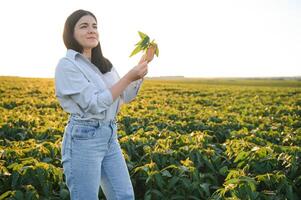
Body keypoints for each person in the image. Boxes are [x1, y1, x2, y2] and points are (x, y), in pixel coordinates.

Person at [55, 9, 151, 200]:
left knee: (123, 196)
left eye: (94, 26)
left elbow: (126, 95)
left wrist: (142, 65)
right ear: (70, 33)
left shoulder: (104, 64)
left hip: (109, 135)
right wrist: (128, 76)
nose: (92, 30)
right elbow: (94, 104)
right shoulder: (67, 65)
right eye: (84, 26)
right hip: (83, 138)